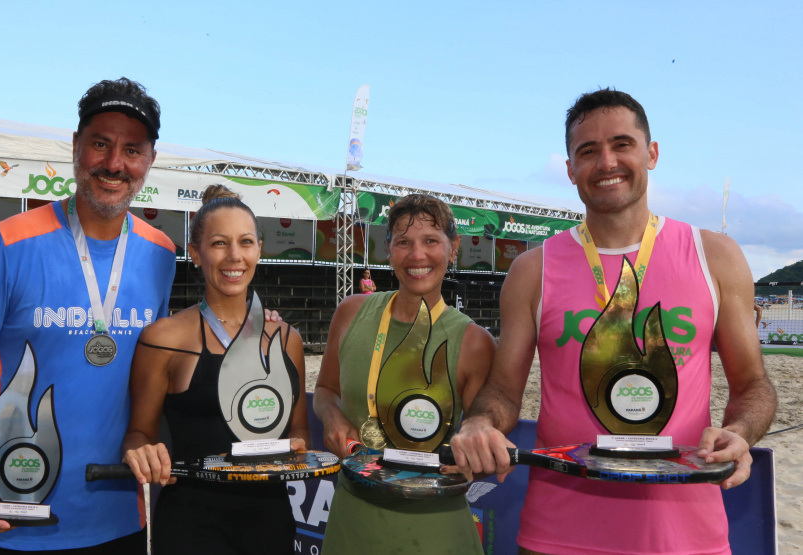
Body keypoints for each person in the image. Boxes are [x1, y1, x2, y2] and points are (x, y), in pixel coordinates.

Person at [447, 88, 777, 554]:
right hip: (558, 535)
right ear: (569, 169)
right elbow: (502, 390)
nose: (606, 162)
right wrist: (480, 422)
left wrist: (739, 433)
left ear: (652, 153)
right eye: (588, 151)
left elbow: (754, 386)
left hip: (686, 536)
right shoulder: (532, 270)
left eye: (622, 144)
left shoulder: (714, 257)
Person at [0, 77, 176, 553]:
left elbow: (162, 362)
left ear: (150, 161)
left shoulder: (162, 253)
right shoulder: (8, 244)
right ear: (77, 146)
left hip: (119, 516)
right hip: (5, 515)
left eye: (132, 149)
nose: (114, 163)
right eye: (100, 144)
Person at [121, 184, 310, 554]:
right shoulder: (162, 339)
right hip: (190, 525)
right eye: (220, 243)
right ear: (195, 253)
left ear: (259, 249)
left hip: (269, 521)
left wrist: (299, 449)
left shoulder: (287, 339)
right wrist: (140, 452)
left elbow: (300, 429)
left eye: (246, 242)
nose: (234, 256)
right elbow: (138, 434)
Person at [313, 194, 495, 555]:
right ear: (388, 251)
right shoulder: (351, 313)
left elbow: (481, 441)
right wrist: (332, 416)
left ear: (453, 247)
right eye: (403, 243)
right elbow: (325, 389)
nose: (417, 255)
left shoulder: (474, 342)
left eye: (431, 241)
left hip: (436, 530)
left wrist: (475, 460)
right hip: (355, 521)